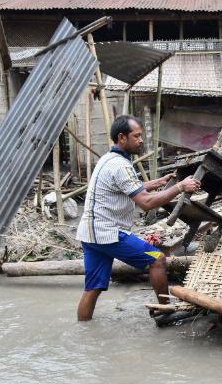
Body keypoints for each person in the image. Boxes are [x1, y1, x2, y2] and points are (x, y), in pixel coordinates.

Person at [75, 115, 200, 321]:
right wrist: (179, 187)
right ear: (122, 138)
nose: (141, 140)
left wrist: (159, 182)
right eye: (137, 136)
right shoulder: (121, 166)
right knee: (157, 259)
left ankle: (83, 329)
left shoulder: (109, 159)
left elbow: (131, 187)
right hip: (109, 235)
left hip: (90, 234)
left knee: (93, 288)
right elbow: (147, 203)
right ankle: (165, 311)